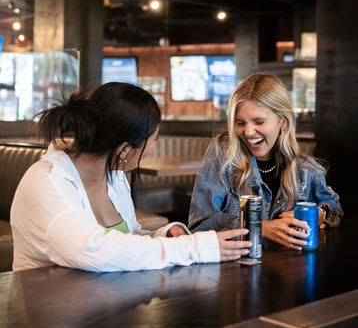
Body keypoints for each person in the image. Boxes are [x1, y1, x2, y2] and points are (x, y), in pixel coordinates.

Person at [11, 82, 252, 272]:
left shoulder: (114, 175)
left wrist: (164, 235)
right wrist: (196, 248)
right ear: (124, 149)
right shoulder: (47, 183)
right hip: (46, 315)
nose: (153, 149)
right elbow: (92, 250)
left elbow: (127, 238)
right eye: (154, 139)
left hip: (99, 306)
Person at [188, 73, 343, 250]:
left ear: (283, 122)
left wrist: (320, 214)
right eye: (240, 123)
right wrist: (258, 227)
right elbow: (199, 224)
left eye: (259, 122)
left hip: (287, 270)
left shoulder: (305, 170)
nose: (248, 132)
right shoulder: (223, 154)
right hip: (235, 271)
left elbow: (335, 210)